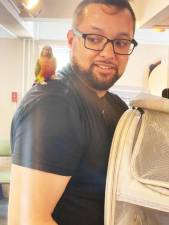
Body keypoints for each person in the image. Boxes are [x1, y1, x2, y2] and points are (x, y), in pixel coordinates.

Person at [8, 0, 137, 225]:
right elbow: (26, 220)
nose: (108, 53)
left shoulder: (117, 106)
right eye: (94, 39)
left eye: (121, 42)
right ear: (71, 40)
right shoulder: (52, 105)